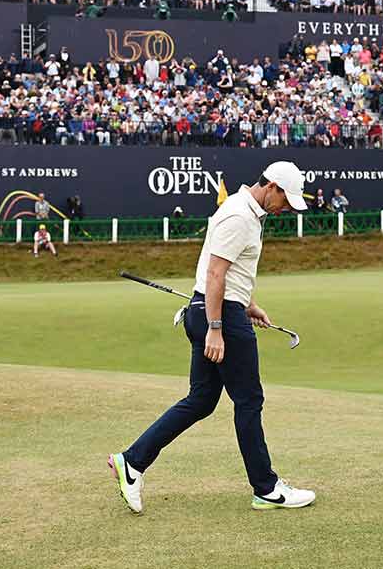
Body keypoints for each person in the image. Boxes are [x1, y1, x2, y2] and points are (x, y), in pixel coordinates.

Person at [109, 161, 316, 515]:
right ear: (272, 187)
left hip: (219, 309)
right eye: (285, 200)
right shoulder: (238, 215)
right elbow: (215, 273)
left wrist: (248, 304)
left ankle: (132, 461)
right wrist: (217, 328)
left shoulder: (248, 213)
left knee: (203, 399)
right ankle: (266, 488)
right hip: (217, 315)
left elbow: (228, 271)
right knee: (249, 400)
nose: (285, 209)